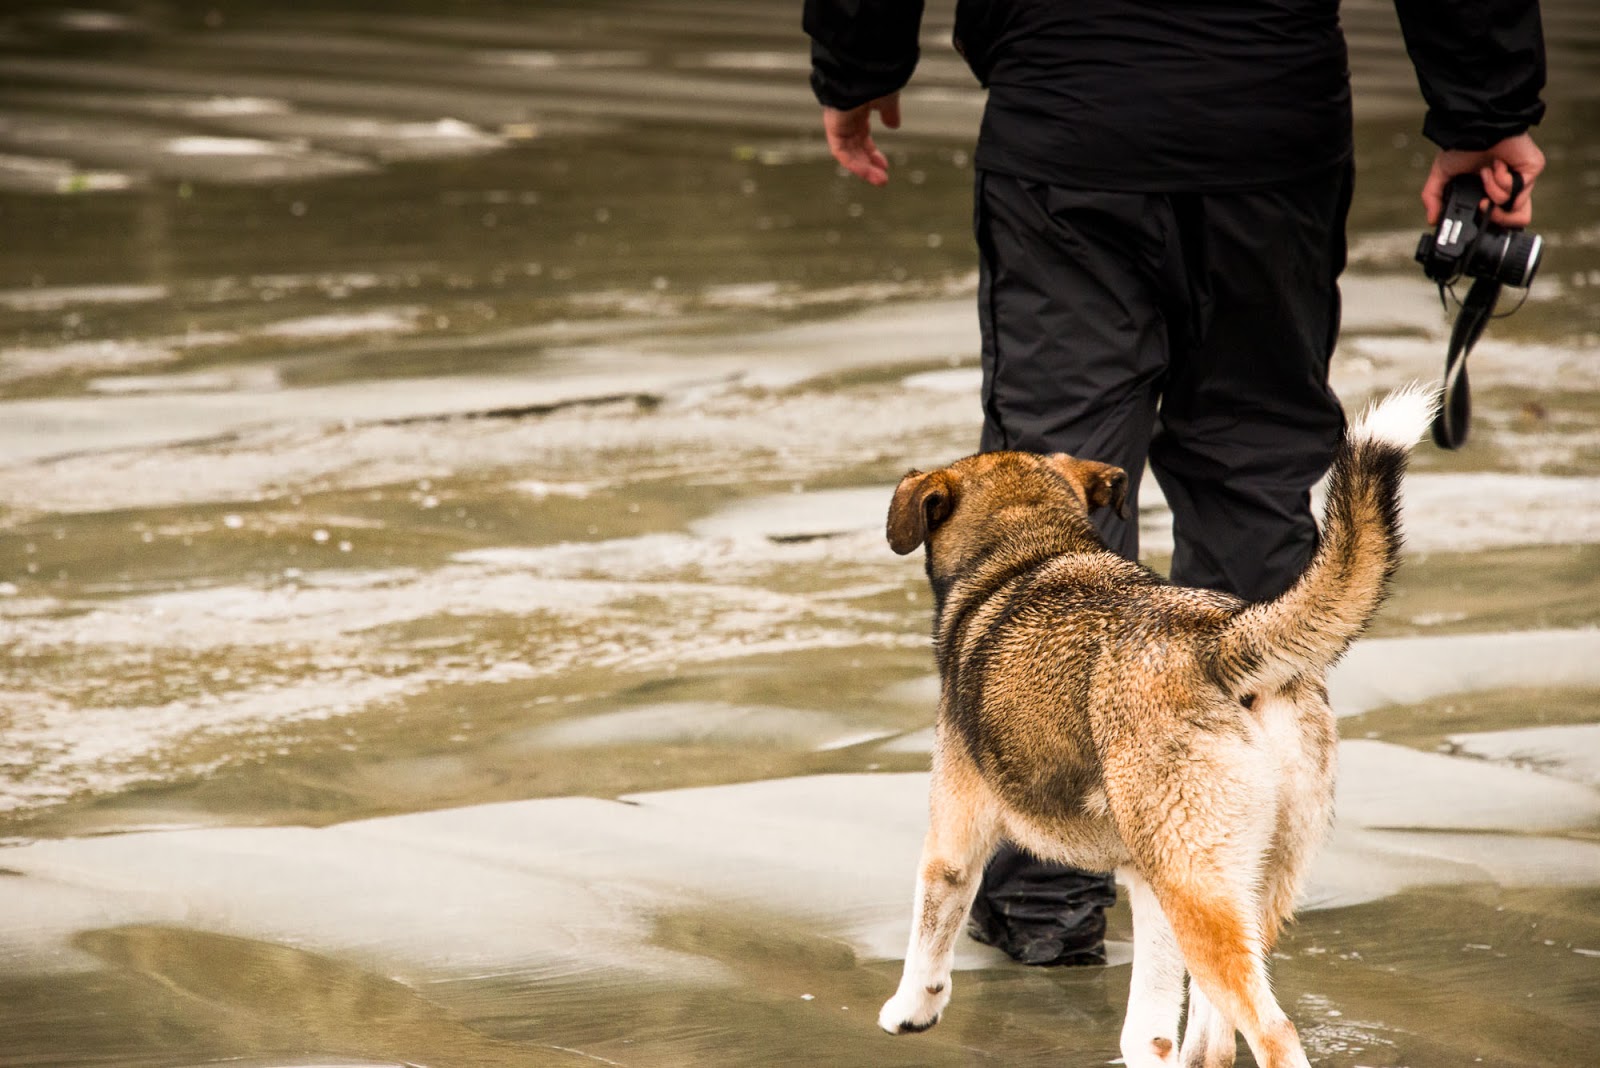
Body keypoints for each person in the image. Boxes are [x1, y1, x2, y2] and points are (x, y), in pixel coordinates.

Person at [804, 0, 1546, 967]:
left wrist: (856, 66)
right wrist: (1486, 109)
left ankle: (1045, 906)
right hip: (1268, 119)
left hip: (1071, 119)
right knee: (1252, 482)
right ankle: (1237, 872)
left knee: (1039, 509)